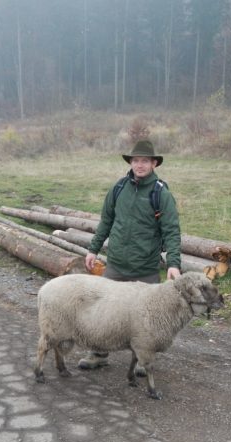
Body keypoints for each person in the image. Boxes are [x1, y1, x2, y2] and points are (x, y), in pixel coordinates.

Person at [80, 139, 182, 371]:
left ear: (154, 163)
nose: (140, 165)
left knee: (148, 320)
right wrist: (93, 249)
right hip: (116, 264)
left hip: (145, 268)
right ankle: (98, 354)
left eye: (145, 161)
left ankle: (142, 362)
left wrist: (173, 264)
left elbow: (171, 231)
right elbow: (106, 221)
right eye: (136, 160)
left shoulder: (161, 194)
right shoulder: (119, 188)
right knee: (103, 314)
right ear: (131, 162)